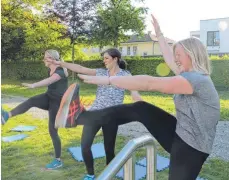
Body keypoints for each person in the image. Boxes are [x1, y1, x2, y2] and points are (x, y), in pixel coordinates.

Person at [57, 15, 220, 180]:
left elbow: (149, 83)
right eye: (175, 55)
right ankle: (81, 116)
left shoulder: (197, 80)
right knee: (141, 108)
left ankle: (81, 117)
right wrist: (160, 34)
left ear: (192, 55)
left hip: (192, 148)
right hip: (180, 133)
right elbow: (168, 58)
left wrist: (109, 80)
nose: (176, 59)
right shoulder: (188, 74)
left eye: (179, 55)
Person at [50, 48, 142, 180]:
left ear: (115, 59)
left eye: (106, 58)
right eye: (103, 58)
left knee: (109, 149)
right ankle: (90, 174)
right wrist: (60, 63)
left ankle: (109, 173)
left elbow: (134, 90)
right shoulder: (101, 72)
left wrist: (137, 97)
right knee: (85, 146)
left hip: (112, 116)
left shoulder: (126, 75)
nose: (104, 61)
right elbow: (80, 68)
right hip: (94, 114)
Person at [1, 49, 68, 170]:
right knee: (31, 101)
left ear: (52, 59)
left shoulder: (60, 71)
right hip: (49, 97)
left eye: (46, 57)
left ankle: (58, 160)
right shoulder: (50, 69)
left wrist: (34, 85)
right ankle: (7, 115)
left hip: (57, 103)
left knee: (53, 131)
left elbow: (49, 81)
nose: (43, 59)